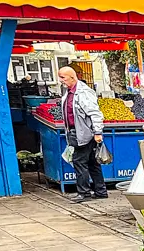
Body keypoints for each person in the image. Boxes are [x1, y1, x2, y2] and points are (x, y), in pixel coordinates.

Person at [58, 66, 106, 203]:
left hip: (84, 133)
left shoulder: (83, 92)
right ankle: (100, 191)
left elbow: (95, 113)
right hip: (78, 132)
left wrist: (98, 132)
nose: (61, 80)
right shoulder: (69, 92)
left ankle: (84, 193)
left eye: (63, 77)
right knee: (92, 162)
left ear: (72, 77)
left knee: (79, 162)